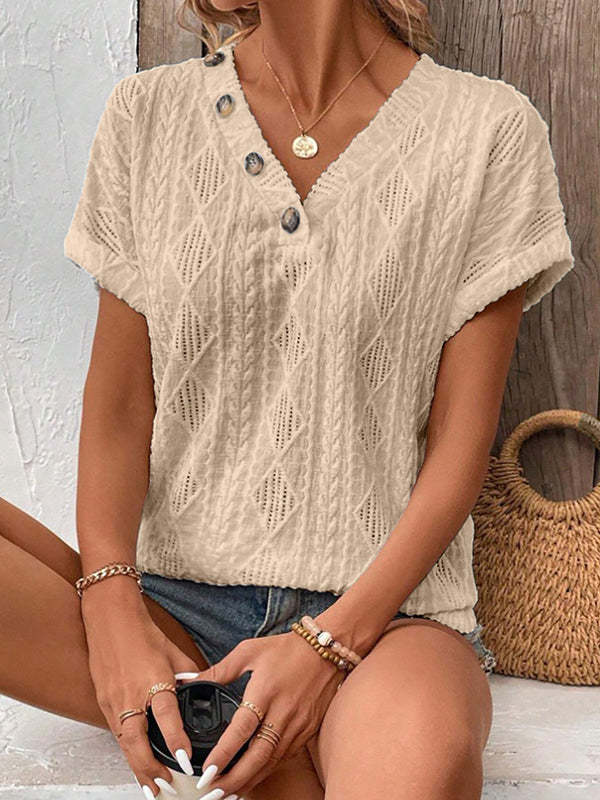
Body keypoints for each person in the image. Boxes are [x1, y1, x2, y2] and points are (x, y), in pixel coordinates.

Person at [1, 0, 575, 799]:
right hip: (173, 614)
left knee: (421, 765)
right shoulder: (147, 115)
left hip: (389, 625)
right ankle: (258, 740)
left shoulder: (488, 131)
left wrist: (327, 646)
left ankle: (255, 747)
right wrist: (112, 612)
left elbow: (459, 443)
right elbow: (122, 408)